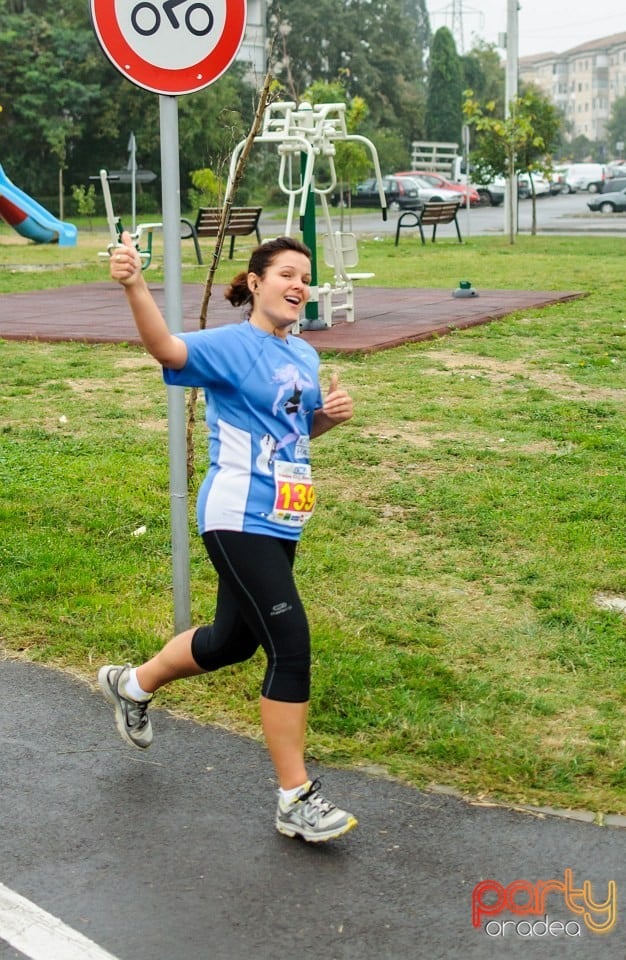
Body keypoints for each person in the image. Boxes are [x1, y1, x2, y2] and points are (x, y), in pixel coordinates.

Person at [98, 232, 358, 843]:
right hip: (236, 515)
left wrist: (328, 418)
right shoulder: (232, 345)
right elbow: (166, 350)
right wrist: (135, 283)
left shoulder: (304, 356)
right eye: (287, 275)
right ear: (258, 281)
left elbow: (292, 434)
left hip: (283, 516)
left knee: (230, 643)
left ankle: (130, 684)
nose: (299, 286)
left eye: (305, 278)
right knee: (289, 644)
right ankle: (295, 798)